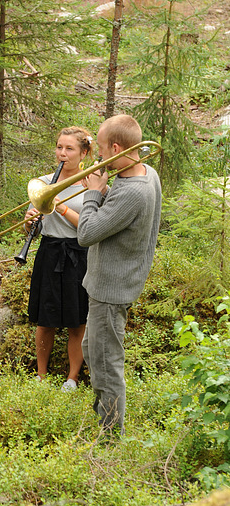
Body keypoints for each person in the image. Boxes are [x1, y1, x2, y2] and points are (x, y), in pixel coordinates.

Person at [77, 114, 162, 435]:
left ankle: (109, 439)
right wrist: (105, 189)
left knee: (106, 366)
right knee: (93, 351)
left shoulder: (133, 191)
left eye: (100, 150)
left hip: (111, 289)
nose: (98, 157)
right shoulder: (146, 172)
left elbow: (86, 233)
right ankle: (102, 417)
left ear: (115, 147)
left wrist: (93, 193)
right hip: (114, 282)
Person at [25, 126, 93, 388]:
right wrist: (29, 222)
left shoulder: (91, 183)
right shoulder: (42, 183)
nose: (62, 153)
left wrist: (61, 207)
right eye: (59, 147)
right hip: (50, 252)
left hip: (79, 254)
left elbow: (90, 225)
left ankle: (72, 378)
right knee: (46, 319)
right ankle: (41, 375)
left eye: (69, 148)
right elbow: (34, 225)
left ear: (83, 153)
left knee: (78, 321)